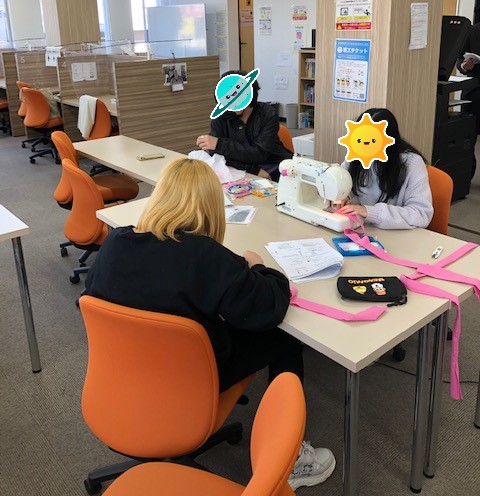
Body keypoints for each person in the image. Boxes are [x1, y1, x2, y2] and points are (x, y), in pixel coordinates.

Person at [84, 157, 335, 490]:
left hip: (123, 376)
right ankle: (294, 457)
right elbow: (270, 306)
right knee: (283, 337)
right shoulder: (206, 257)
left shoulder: (115, 243)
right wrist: (257, 267)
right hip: (190, 380)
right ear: (211, 206)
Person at [338, 108, 434, 230]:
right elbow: (343, 183)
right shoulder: (356, 154)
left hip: (397, 234)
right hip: (364, 229)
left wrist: (371, 212)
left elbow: (421, 213)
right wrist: (344, 196)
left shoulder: (412, 164)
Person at [196, 71, 292, 181]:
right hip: (240, 169)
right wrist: (253, 170)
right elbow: (216, 154)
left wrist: (219, 144)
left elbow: (260, 154)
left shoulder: (268, 115)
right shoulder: (221, 115)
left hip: (273, 165)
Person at [457, 22, 480, 135]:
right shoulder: (473, 31)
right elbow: (460, 60)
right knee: (468, 135)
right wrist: (464, 66)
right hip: (475, 89)